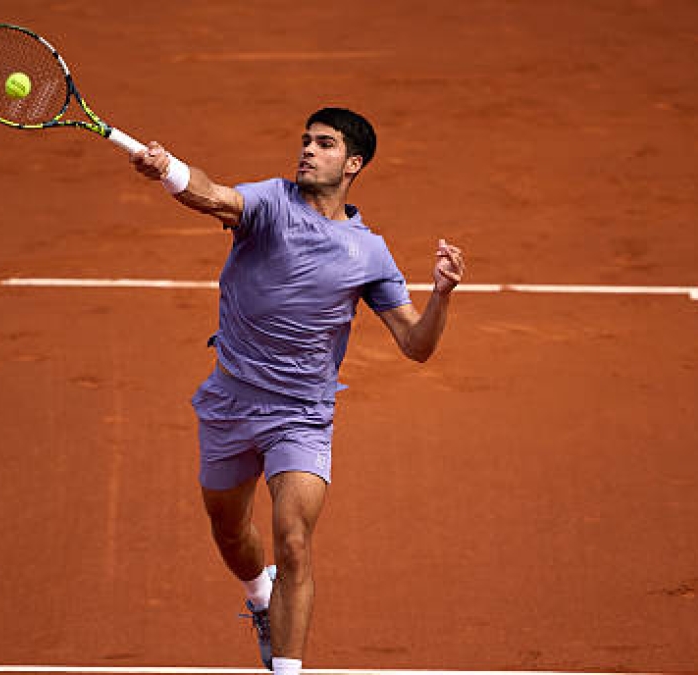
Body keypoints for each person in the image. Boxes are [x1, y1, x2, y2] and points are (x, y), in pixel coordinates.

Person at [129, 108, 464, 675]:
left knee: (293, 542)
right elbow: (215, 197)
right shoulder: (270, 203)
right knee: (232, 533)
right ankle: (261, 598)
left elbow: (417, 344)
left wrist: (442, 295)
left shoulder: (369, 253)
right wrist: (170, 171)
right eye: (306, 141)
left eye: (325, 144)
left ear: (353, 163)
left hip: (302, 414)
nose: (308, 150)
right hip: (230, 402)